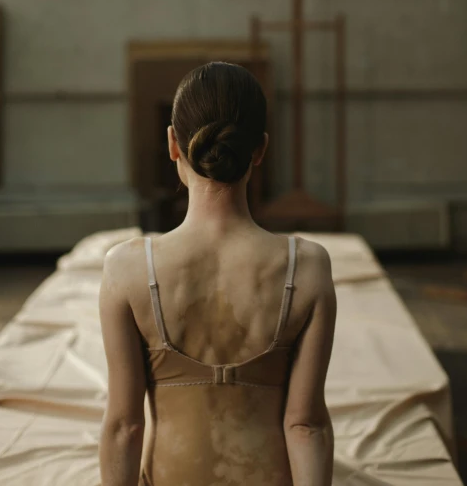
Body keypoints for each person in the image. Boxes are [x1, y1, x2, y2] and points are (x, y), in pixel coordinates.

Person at [98, 62, 337, 486]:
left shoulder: (126, 268)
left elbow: (124, 427)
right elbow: (307, 426)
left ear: (173, 143)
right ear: (260, 150)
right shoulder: (309, 266)